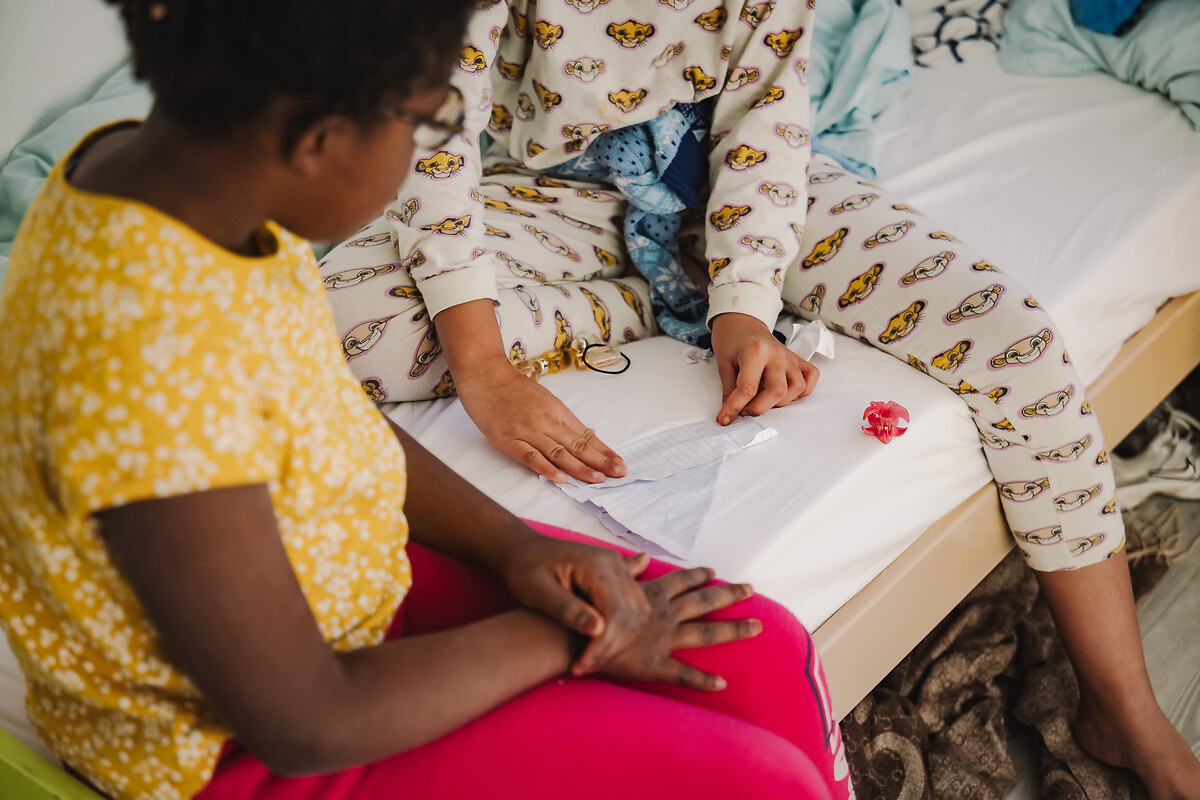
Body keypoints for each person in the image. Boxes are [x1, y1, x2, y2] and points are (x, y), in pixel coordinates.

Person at [317, 1, 1200, 797]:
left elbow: (763, 134)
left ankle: (1123, 709)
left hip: (722, 184)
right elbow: (438, 138)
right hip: (543, 192)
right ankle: (654, 296)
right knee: (345, 316)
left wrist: (743, 309)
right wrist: (486, 367)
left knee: (1018, 347)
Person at [0, 1, 853, 799]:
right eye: (424, 122)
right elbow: (304, 721)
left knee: (763, 650)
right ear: (317, 138)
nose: (429, 150)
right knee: (756, 779)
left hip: (347, 586)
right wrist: (583, 634)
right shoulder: (144, 362)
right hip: (243, 749)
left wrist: (513, 545)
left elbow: (324, 411)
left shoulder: (201, 184)